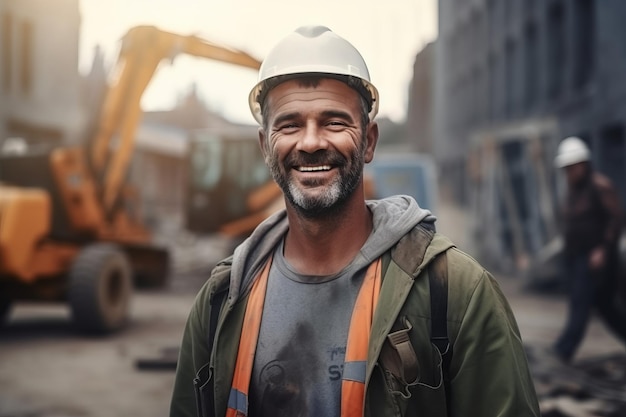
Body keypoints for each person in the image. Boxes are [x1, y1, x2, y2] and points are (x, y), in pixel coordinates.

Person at [170, 25, 540, 417]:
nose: (311, 142)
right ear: (266, 147)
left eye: (333, 122)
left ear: (369, 142)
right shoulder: (221, 302)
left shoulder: (457, 294)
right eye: (290, 124)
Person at [552, 136, 626, 363]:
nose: (568, 173)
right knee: (606, 309)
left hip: (595, 258)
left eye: (571, 168)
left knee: (580, 304)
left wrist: (602, 249)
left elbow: (615, 220)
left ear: (582, 164)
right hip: (576, 257)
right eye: (565, 169)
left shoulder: (599, 186)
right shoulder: (573, 191)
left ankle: (563, 351)